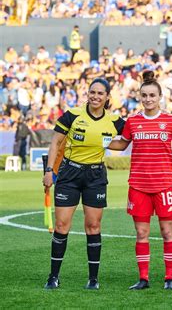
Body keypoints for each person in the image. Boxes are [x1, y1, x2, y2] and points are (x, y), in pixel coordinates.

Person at [108, 71, 172, 290]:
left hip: (165, 184)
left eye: (152, 95)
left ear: (160, 97)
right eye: (144, 95)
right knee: (142, 233)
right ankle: (143, 278)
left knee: (167, 232)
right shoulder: (133, 121)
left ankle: (169, 278)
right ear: (140, 97)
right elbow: (121, 144)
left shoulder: (171, 120)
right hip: (138, 185)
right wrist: (96, 141)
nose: (148, 99)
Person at [42, 78, 125, 290]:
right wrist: (49, 171)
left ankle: (93, 279)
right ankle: (53, 277)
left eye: (100, 93)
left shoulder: (115, 120)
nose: (95, 96)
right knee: (61, 225)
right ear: (88, 94)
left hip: (95, 176)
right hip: (70, 173)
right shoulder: (73, 115)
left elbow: (124, 141)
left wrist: (105, 143)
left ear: (107, 97)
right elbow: (55, 142)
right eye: (92, 92)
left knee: (93, 226)